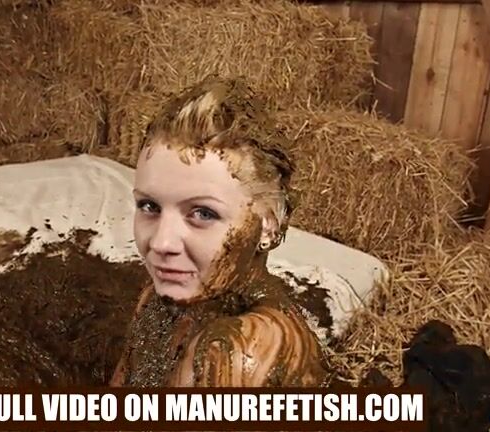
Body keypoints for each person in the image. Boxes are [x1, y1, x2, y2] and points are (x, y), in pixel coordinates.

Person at [109, 75, 332, 387]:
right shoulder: (157, 300)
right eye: (150, 206)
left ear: (268, 224)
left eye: (203, 213)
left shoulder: (238, 352)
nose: (161, 242)